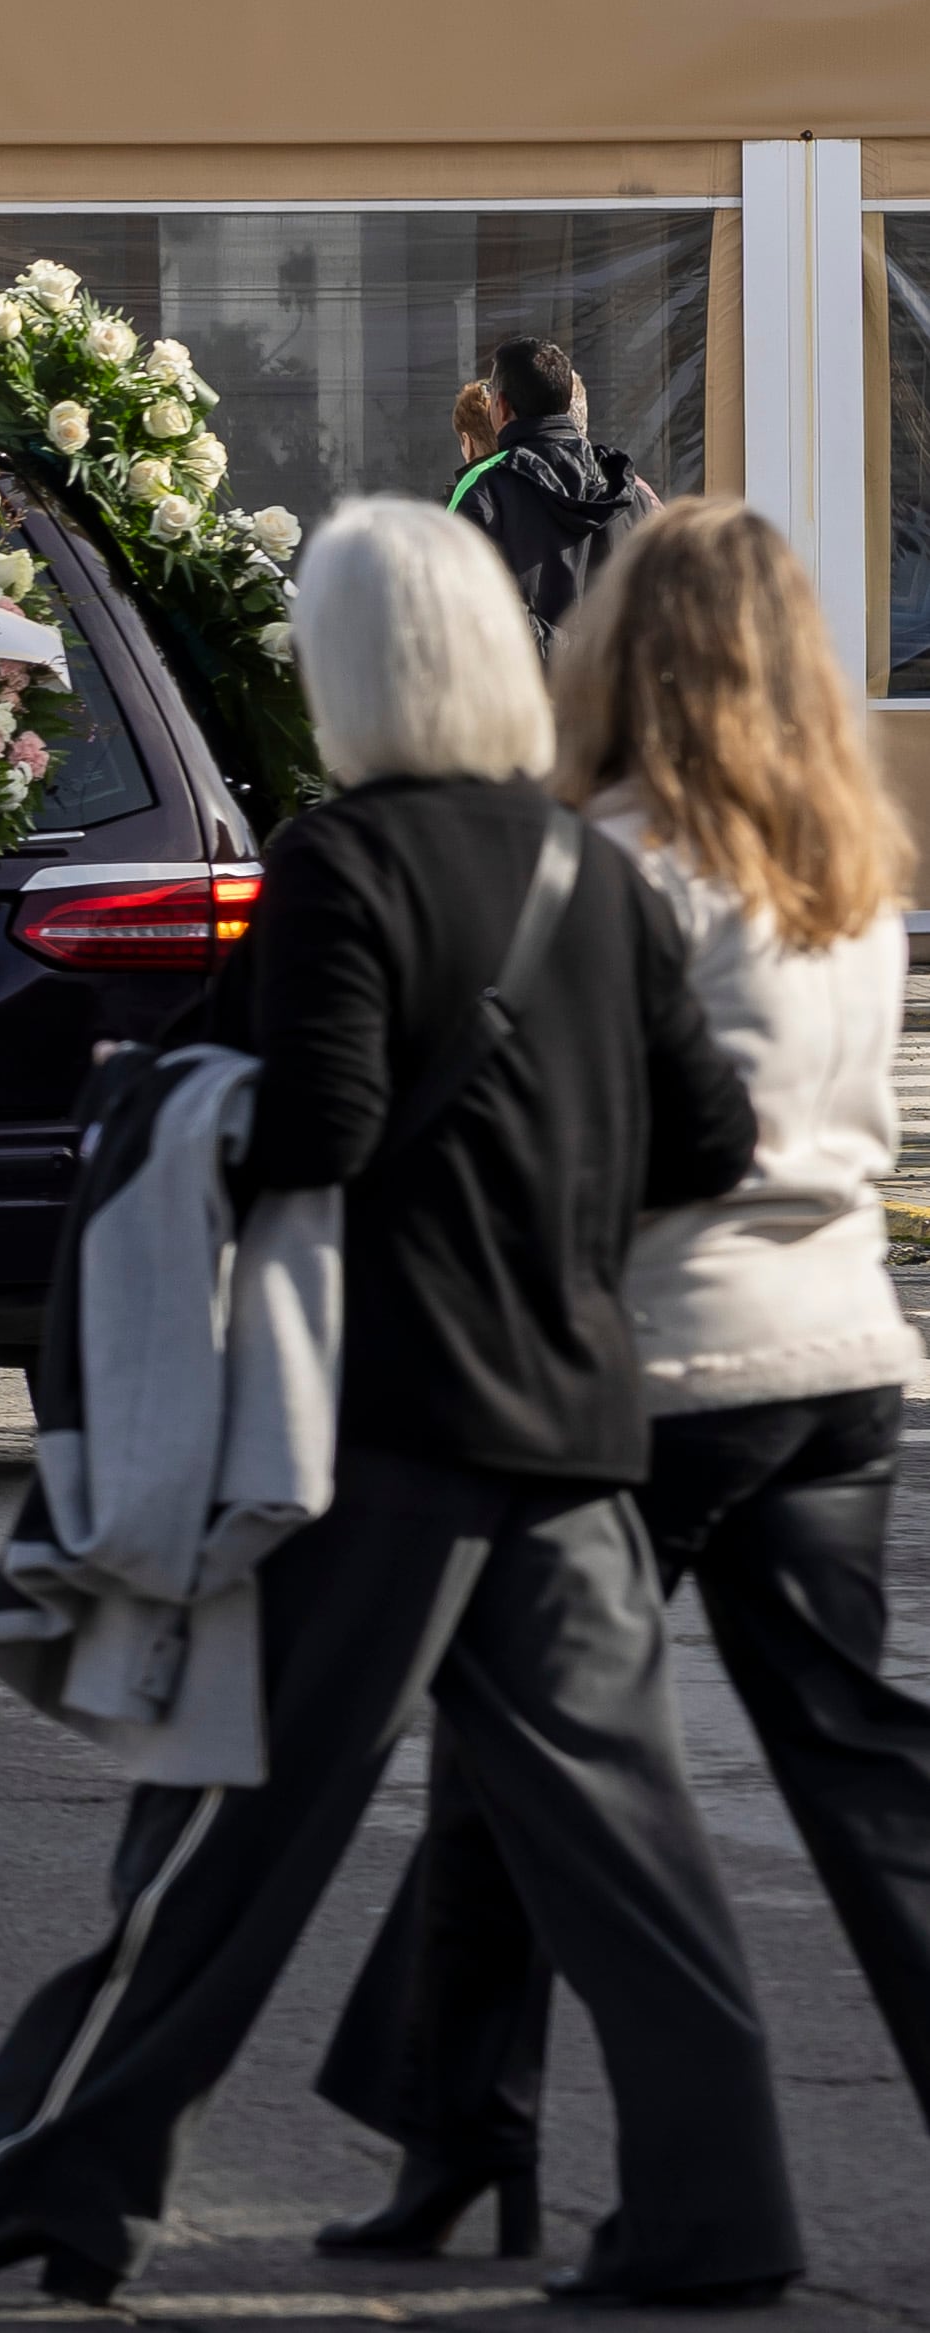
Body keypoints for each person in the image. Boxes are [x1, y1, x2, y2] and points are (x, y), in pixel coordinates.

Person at [0, 496, 780, 2311]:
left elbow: (321, 1132)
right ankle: (720, 2208)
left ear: (349, 666)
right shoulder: (590, 863)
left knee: (225, 1826)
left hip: (380, 1437)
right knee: (629, 1849)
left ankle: (61, 2172)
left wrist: (167, 1090)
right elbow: (713, 1137)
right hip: (574, 1427)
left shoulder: (345, 860)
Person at [313, 498, 924, 2262]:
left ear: (619, 653)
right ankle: (450, 2129)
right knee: (852, 1759)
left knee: (534, 1759)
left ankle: (468, 2125)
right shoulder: (853, 867)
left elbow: (619, 1135)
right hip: (844, 1356)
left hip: (656, 1361)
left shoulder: (620, 860)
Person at [454, 335, 646, 631]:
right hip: (614, 675)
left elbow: (462, 604)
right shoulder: (627, 489)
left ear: (502, 407)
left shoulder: (485, 489)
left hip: (521, 676)